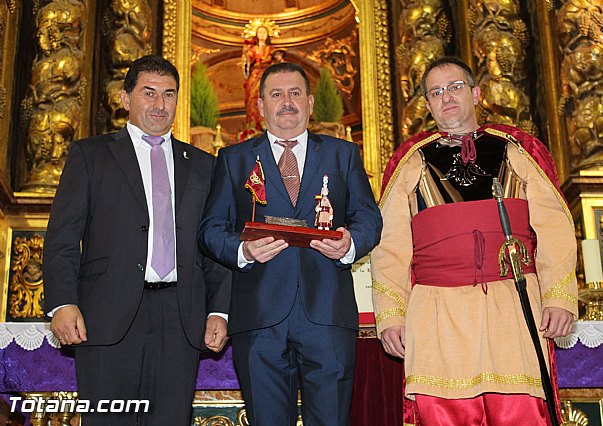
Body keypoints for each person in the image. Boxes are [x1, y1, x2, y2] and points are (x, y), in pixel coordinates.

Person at [371, 56, 578, 426]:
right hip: (438, 313)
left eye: (455, 88)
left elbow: (555, 228)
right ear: (428, 104)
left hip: (511, 306)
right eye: (436, 92)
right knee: (444, 415)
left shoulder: (517, 151)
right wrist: (391, 316)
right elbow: (390, 249)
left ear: (476, 93)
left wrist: (560, 297)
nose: (446, 98)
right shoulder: (410, 163)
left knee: (521, 413)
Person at [43, 55, 231, 426]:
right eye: (149, 93)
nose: (160, 104)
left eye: (169, 94)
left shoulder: (206, 165)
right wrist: (62, 302)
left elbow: (216, 245)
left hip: (181, 317)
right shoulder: (90, 155)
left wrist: (218, 310)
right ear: (127, 99)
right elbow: (63, 236)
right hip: (106, 314)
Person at [198, 62, 382, 426]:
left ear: (311, 104)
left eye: (295, 93)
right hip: (259, 317)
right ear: (261, 106)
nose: (287, 102)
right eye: (276, 94)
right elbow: (209, 229)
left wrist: (349, 244)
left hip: (327, 313)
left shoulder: (343, 154)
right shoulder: (233, 160)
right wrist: (243, 250)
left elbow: (369, 218)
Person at [242, 25, 284, 133]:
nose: (262, 35)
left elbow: (279, 62)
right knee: (252, 98)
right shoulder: (253, 49)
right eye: (260, 32)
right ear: (256, 34)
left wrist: (278, 59)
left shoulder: (271, 49)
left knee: (268, 97)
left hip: (267, 75)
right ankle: (253, 125)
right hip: (255, 75)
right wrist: (245, 54)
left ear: (267, 35)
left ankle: (267, 123)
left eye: (264, 32)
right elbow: (246, 64)